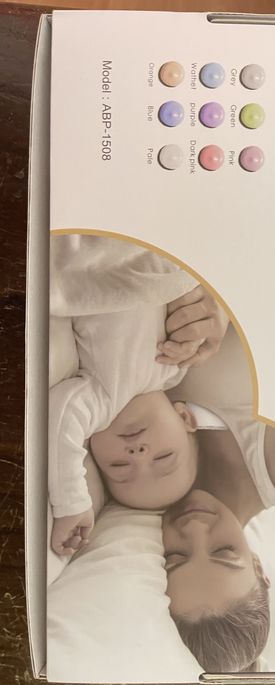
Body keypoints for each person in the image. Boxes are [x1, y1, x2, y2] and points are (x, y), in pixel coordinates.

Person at [49, 235, 230, 556]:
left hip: (95, 261)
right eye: (163, 457)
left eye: (119, 466)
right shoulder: (180, 365)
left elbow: (61, 422)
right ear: (185, 417)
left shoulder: (101, 400)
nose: (138, 453)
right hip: (158, 251)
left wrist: (73, 504)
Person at [161, 403, 275, 673]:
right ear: (258, 566)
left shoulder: (137, 487)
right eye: (224, 551)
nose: (195, 528)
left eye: (174, 557)